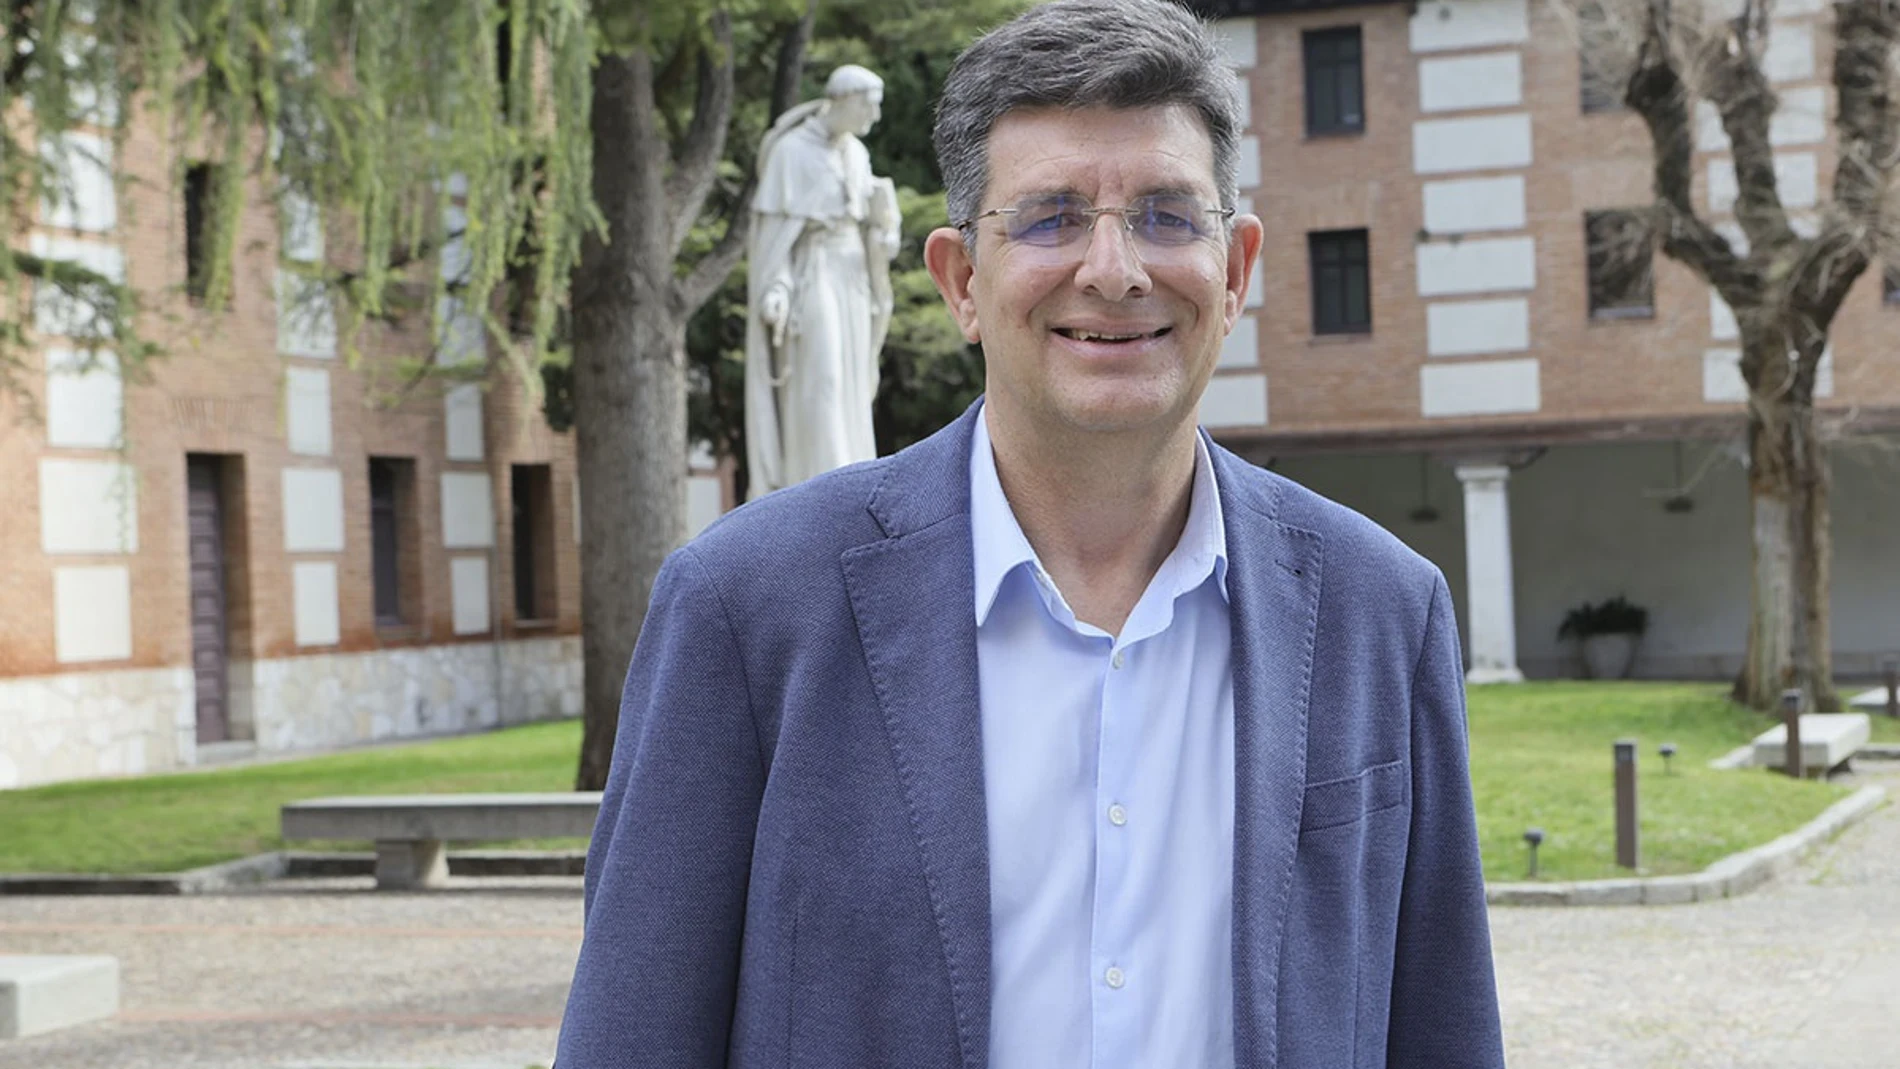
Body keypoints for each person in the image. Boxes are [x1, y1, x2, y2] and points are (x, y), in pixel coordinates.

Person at [555, 1, 1504, 1066]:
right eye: (1050, 217)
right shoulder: (746, 608)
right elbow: (630, 1035)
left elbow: (1442, 1026)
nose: (1113, 269)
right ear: (962, 280)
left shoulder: (1381, 609)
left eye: (1165, 215)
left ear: (1234, 270)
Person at [743, 64, 901, 500]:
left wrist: (885, 231)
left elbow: (870, 222)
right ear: (845, 100)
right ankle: (820, 498)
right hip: (814, 276)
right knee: (823, 381)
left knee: (852, 389)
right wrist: (775, 289)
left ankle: (851, 489)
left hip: (854, 278)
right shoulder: (790, 153)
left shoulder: (855, 153)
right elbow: (775, 241)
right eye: (868, 107)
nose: (875, 119)